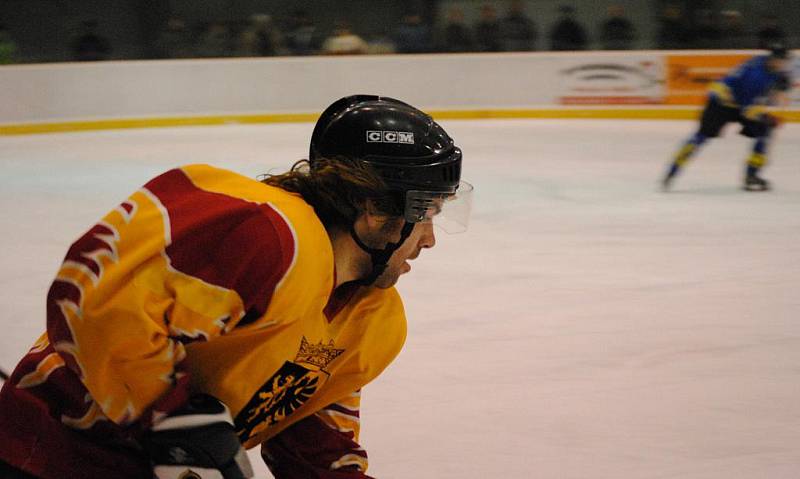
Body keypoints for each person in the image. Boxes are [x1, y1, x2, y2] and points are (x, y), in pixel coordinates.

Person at [0, 95, 473, 479]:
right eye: (426, 212)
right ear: (372, 207)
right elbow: (96, 290)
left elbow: (311, 446)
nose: (429, 239)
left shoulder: (372, 321)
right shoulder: (271, 233)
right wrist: (170, 417)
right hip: (39, 453)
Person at [662, 45, 792, 191]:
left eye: (785, 62)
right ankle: (672, 171)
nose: (783, 65)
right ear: (773, 60)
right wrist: (769, 117)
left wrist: (780, 86)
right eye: (781, 61)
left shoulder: (765, 63)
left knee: (764, 130)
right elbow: (747, 109)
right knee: (701, 136)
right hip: (720, 103)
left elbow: (769, 87)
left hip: (738, 101)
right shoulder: (756, 77)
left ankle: (751, 175)